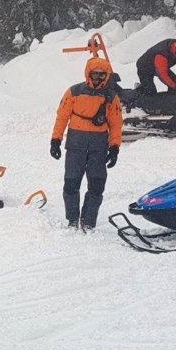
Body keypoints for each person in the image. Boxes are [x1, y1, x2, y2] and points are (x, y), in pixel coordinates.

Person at [51, 57, 123, 231]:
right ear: (88, 73)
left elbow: (116, 123)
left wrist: (114, 147)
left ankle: (89, 221)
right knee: (71, 184)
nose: (98, 77)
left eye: (101, 74)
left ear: (107, 76)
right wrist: (56, 140)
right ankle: (73, 219)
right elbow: (62, 117)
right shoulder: (73, 92)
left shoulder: (111, 97)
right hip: (76, 145)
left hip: (99, 148)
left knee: (97, 185)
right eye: (95, 73)